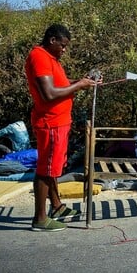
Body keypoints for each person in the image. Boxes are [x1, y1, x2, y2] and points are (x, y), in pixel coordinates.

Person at [25, 23, 99, 231]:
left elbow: (60, 84)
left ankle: (56, 207)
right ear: (52, 40)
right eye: (63, 46)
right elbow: (49, 93)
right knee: (45, 169)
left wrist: (83, 81)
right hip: (51, 122)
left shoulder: (50, 59)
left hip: (58, 121)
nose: (64, 50)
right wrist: (80, 86)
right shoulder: (39, 57)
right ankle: (39, 219)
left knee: (53, 168)